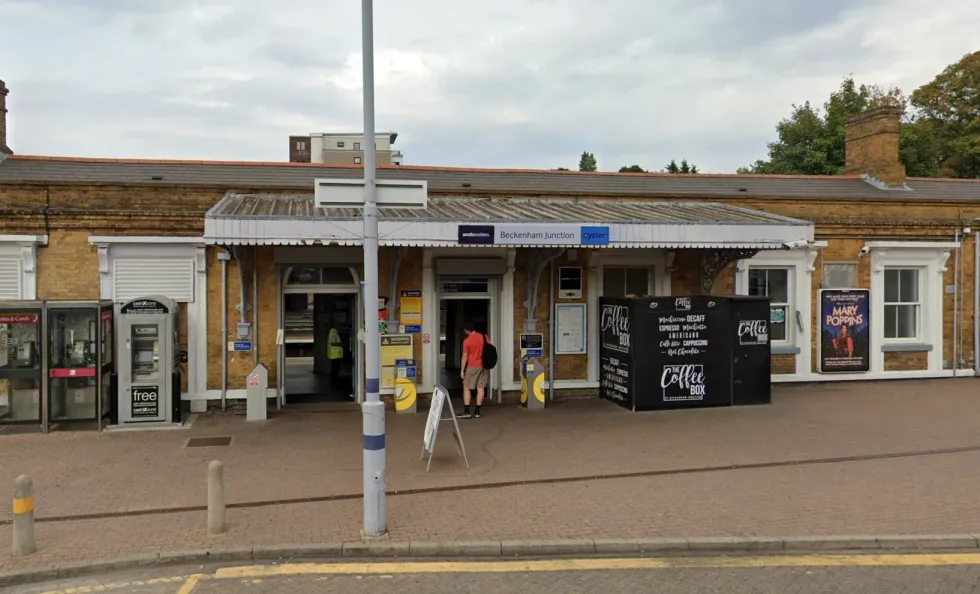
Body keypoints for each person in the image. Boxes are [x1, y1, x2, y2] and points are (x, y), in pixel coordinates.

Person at [459, 321, 490, 419]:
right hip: (484, 366)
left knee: (466, 387)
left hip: (472, 366)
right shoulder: (484, 336)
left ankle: (467, 411)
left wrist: (462, 370)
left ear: (466, 330)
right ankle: (477, 411)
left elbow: (465, 356)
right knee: (480, 388)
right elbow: (490, 348)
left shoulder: (467, 341)